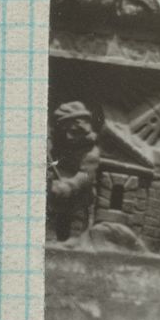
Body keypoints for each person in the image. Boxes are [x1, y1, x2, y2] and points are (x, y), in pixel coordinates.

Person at [47, 101, 100, 242]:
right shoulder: (61, 146)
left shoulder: (90, 152)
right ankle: (52, 238)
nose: (69, 137)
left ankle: (74, 240)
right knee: (54, 216)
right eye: (65, 132)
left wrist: (70, 185)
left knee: (75, 222)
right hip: (58, 193)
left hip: (79, 197)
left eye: (73, 132)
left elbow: (86, 175)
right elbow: (55, 162)